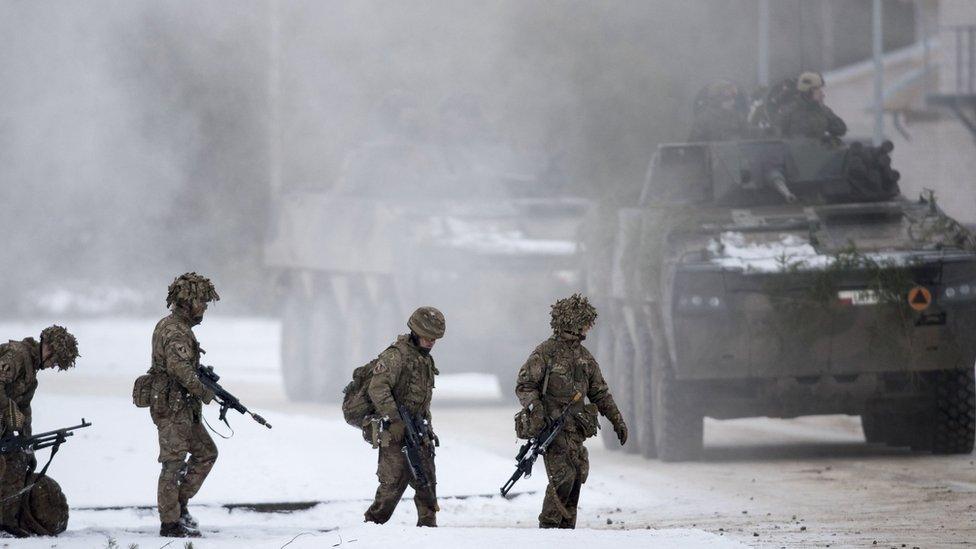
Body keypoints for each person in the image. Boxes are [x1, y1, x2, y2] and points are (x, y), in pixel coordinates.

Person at [515, 294, 628, 529]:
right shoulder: (545, 353)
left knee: (576, 476)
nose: (589, 327)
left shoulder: (585, 357)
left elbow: (600, 393)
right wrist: (537, 409)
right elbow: (525, 386)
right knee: (563, 477)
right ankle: (548, 528)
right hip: (552, 431)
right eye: (586, 322)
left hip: (576, 432)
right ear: (574, 322)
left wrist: (617, 420)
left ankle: (566, 532)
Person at [144, 272, 220, 537]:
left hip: (183, 408)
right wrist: (205, 392)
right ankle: (170, 523)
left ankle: (179, 506)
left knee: (206, 453)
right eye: (202, 301)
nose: (205, 308)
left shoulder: (179, 327)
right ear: (187, 301)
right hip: (172, 408)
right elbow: (181, 371)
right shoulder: (174, 330)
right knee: (173, 463)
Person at [363, 307, 444, 527]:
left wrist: (427, 429)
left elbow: (422, 400)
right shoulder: (396, 355)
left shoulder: (424, 359)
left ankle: (428, 530)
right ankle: (371, 528)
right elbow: (378, 388)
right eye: (428, 338)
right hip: (395, 431)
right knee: (392, 487)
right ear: (416, 332)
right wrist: (394, 419)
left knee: (427, 484)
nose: (431, 342)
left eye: (435, 339)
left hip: (419, 431)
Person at [0, 325, 78, 536]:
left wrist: (27, 446)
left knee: (16, 463)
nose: (52, 366)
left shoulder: (31, 371)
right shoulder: (16, 356)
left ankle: (7, 522)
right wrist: (8, 411)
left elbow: (24, 410)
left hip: (4, 429)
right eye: (54, 361)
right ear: (48, 348)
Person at [778, 71, 847, 142]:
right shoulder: (789, 112)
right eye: (817, 88)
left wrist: (823, 109)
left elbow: (841, 130)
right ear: (808, 91)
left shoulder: (821, 110)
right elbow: (781, 139)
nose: (821, 92)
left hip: (818, 151)